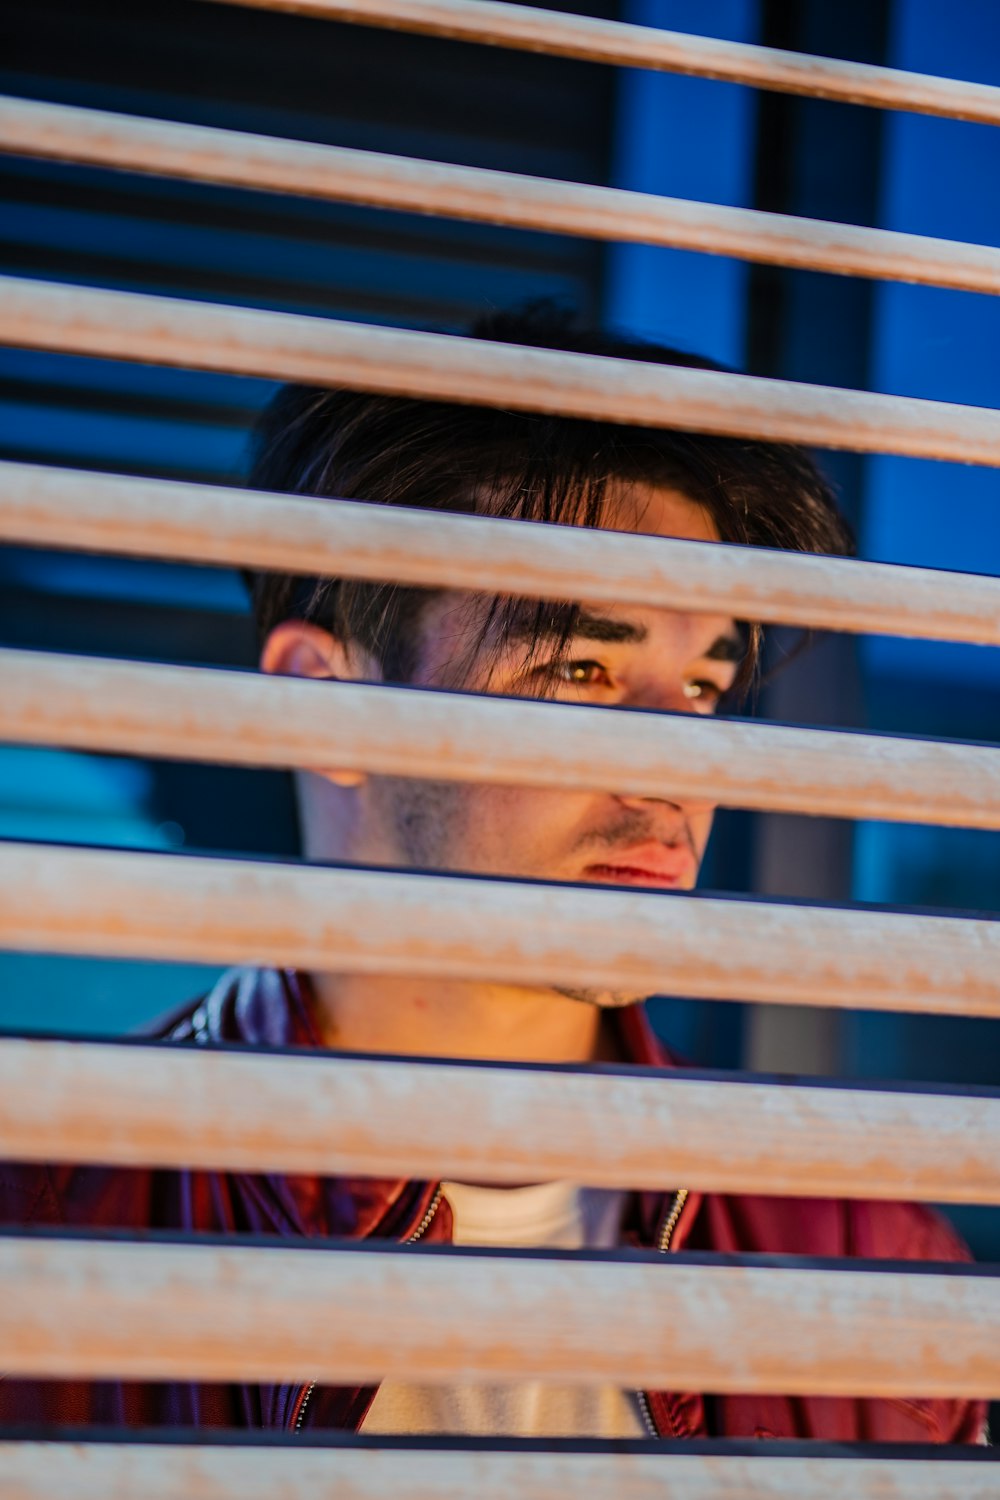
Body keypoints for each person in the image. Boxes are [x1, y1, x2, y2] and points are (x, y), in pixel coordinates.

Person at [0, 306, 985, 1443]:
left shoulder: (867, 1272)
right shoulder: (56, 1234)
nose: (679, 770)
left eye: (705, 690)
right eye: (580, 667)